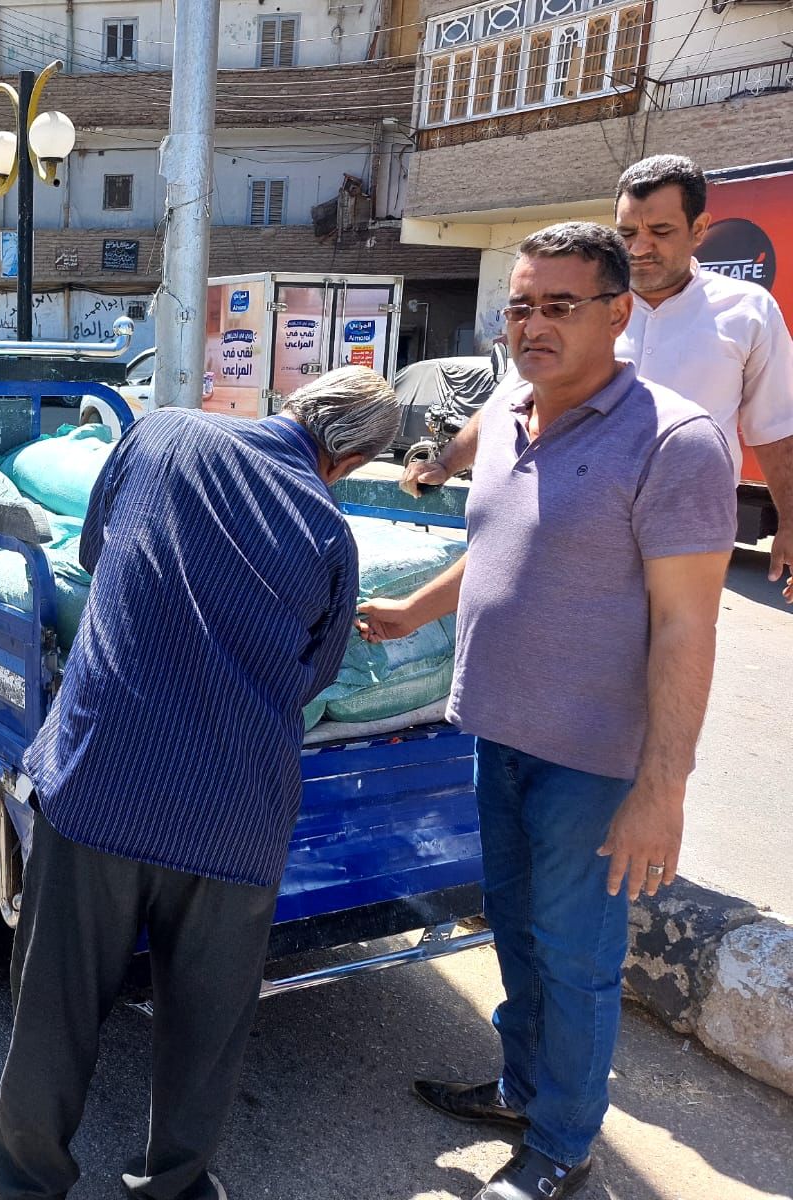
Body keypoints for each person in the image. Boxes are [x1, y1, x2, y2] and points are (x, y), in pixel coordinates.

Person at [361, 224, 736, 1200]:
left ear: (618, 314)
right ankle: (520, 1089)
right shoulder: (507, 414)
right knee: (517, 931)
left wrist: (662, 789)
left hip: (593, 761)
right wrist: (412, 611)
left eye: (559, 305)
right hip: (499, 735)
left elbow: (687, 626)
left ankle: (563, 1144)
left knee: (575, 958)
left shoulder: (674, 441)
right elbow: (497, 549)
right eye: (520, 306)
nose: (532, 324)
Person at [0, 367, 401, 1200]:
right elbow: (314, 674)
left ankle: (27, 1184)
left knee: (54, 1011)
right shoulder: (330, 534)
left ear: (295, 405)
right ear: (349, 461)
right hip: (236, 816)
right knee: (206, 1030)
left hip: (103, 784)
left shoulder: (162, 432)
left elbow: (96, 553)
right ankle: (171, 1186)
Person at [404, 154, 793, 603]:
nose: (640, 248)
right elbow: (510, 401)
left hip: (684, 531)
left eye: (661, 231)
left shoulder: (747, 312)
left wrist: (789, 521)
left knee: (677, 635)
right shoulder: (580, 307)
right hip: (571, 522)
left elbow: (775, 428)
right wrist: (446, 463)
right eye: (627, 233)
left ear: (700, 229)